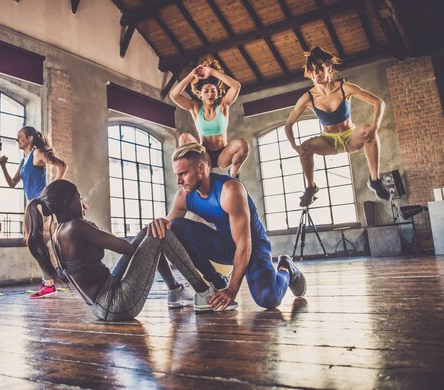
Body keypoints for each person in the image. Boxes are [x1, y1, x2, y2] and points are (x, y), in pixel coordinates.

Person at [25, 180, 224, 322]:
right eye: (78, 197)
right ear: (68, 203)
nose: (82, 202)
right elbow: (126, 248)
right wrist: (88, 223)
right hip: (115, 305)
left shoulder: (60, 230)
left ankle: (176, 291)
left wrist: (148, 235)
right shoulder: (76, 226)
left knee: (151, 230)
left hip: (103, 302)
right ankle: (204, 293)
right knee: (160, 234)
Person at [148, 143, 306, 310]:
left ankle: (286, 267)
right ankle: (216, 281)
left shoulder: (230, 190)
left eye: (183, 174)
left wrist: (232, 289)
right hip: (225, 245)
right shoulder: (184, 196)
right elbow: (167, 229)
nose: (179, 181)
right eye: (177, 175)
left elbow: (244, 246)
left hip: (253, 246)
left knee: (268, 299)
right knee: (175, 227)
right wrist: (160, 223)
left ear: (201, 168)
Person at [285, 46, 389, 207]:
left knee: (368, 131)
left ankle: (374, 180)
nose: (316, 73)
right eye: (312, 70)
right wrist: (294, 147)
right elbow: (288, 124)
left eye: (319, 69)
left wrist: (375, 127)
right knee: (305, 148)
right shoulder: (308, 98)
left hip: (350, 137)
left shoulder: (344, 87)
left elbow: (378, 102)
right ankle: (311, 188)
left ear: (329, 68)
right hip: (329, 142)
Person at [0, 126, 67, 298]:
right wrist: (3, 166)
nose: (18, 140)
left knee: (42, 243)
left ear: (30, 138)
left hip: (41, 204)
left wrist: (50, 192)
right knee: (37, 245)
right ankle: (49, 283)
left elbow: (62, 165)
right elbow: (12, 183)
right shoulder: (24, 160)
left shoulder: (37, 153)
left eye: (20, 136)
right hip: (31, 206)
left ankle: (54, 279)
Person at [169, 58, 249, 177]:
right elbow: (173, 95)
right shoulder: (195, 108)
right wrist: (191, 75)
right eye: (206, 91)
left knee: (243, 145)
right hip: (204, 155)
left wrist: (212, 72)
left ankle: (233, 173)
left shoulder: (223, 105)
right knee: (184, 138)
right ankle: (192, 173)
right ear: (200, 94)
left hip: (223, 154)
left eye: (213, 91)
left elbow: (236, 86)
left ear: (217, 94)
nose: (210, 94)